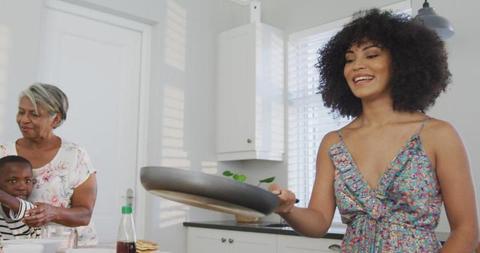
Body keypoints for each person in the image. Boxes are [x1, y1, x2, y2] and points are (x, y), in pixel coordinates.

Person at [271, 9, 479, 252]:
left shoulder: (438, 135)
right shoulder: (333, 142)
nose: (357, 66)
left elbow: (467, 231)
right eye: (349, 59)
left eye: (371, 55)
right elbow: (318, 222)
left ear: (401, 63)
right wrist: (288, 210)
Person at [0, 83, 98, 246]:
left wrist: (54, 213)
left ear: (56, 119)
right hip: (15, 248)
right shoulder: (3, 153)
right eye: (21, 112)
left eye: (34, 114)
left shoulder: (75, 156)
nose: (24, 120)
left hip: (69, 247)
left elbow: (85, 214)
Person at [0, 155, 41, 239]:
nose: (22, 187)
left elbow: (32, 212)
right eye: (13, 181)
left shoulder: (33, 211)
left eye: (27, 181)